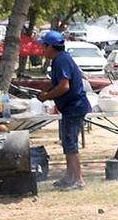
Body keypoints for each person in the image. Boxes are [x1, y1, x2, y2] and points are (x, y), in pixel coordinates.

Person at [36, 30, 90, 191]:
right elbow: (60, 84)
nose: (42, 49)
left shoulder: (61, 60)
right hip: (69, 107)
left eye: (44, 46)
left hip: (74, 107)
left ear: (51, 47)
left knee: (71, 143)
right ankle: (69, 177)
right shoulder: (60, 59)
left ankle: (78, 180)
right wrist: (46, 91)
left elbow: (64, 86)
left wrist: (47, 96)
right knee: (67, 142)